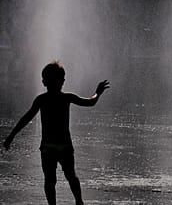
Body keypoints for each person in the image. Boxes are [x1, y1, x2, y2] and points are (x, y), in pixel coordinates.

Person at [3, 61, 109, 205]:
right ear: (59, 81)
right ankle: (79, 202)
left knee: (50, 180)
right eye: (62, 79)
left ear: (44, 82)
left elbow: (25, 119)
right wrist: (98, 93)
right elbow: (91, 102)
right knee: (71, 176)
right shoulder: (66, 98)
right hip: (64, 146)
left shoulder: (42, 100)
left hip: (48, 148)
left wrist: (11, 136)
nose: (63, 81)